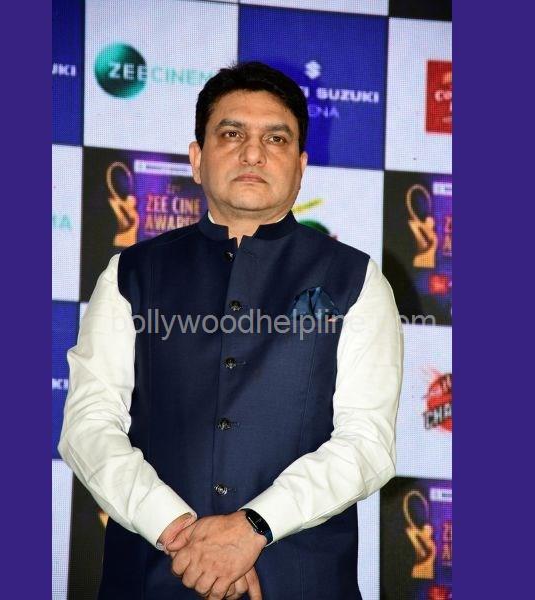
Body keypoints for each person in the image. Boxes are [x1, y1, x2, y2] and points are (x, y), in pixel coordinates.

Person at [58, 61, 403, 600]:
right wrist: (180, 532)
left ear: (301, 166)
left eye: (276, 138)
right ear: (197, 159)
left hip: (300, 582)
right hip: (153, 576)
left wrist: (252, 528)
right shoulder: (131, 273)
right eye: (232, 134)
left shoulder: (355, 279)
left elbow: (366, 443)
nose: (253, 153)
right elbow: (87, 424)